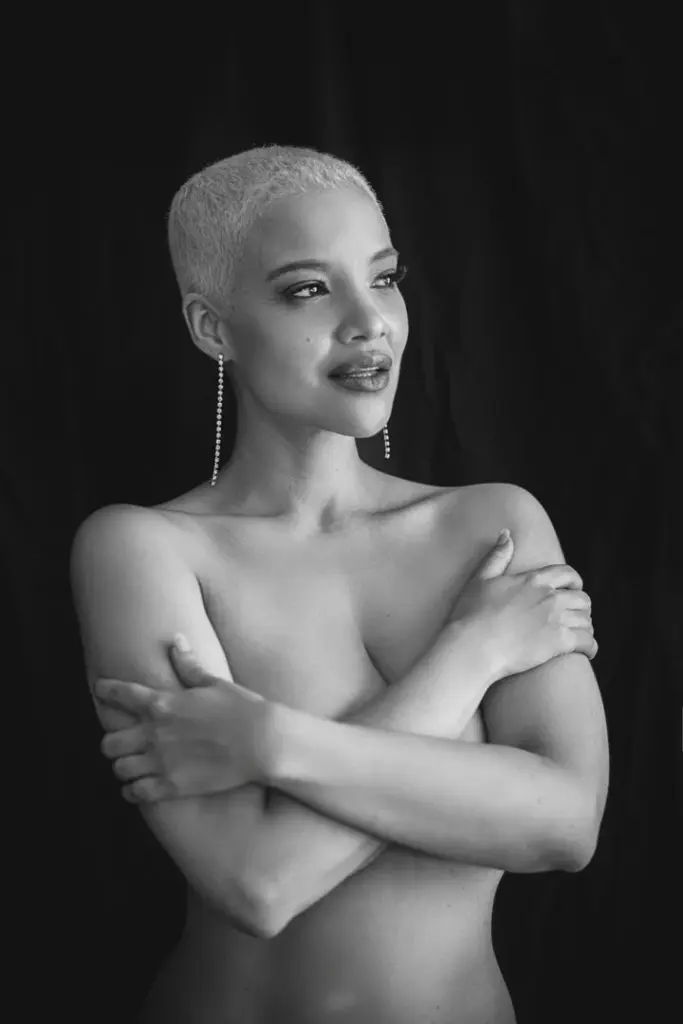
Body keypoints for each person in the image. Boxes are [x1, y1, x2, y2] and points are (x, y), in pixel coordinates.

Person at [70, 145, 609, 1024]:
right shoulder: (142, 549)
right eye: (308, 290)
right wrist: (469, 655)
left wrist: (272, 744)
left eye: (384, 279)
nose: (370, 323)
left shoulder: (494, 524)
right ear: (212, 327)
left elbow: (565, 826)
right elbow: (257, 883)